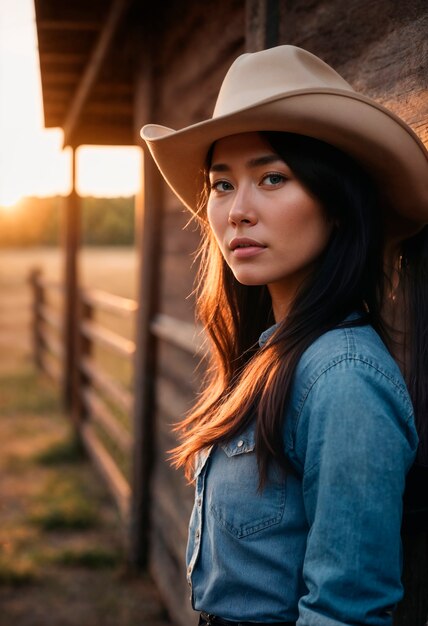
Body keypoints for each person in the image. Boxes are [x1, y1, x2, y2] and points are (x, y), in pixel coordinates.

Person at [141, 46, 428, 626]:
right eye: (222, 185)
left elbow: (345, 613)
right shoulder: (268, 352)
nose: (237, 211)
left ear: (339, 205)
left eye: (273, 177)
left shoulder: (343, 377)